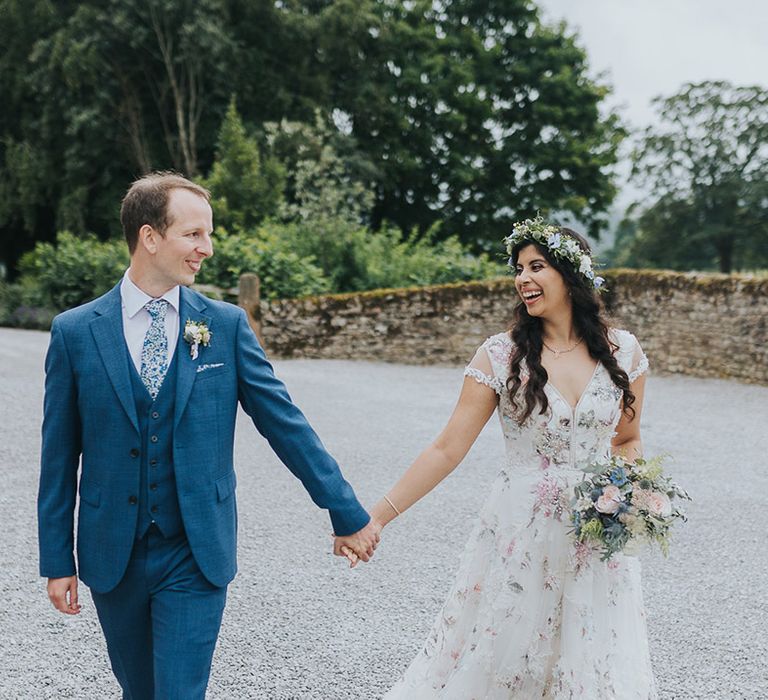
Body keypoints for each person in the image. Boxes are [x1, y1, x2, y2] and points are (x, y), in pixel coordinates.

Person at [37, 171, 380, 699]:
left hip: (194, 551)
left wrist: (345, 510)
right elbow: (57, 459)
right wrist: (57, 560)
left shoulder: (225, 325)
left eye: (209, 234)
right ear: (150, 237)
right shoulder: (76, 332)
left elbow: (283, 422)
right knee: (140, 691)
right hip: (113, 555)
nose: (208, 249)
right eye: (194, 234)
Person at [342, 218, 656, 698]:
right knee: (508, 658)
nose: (522, 278)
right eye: (518, 268)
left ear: (572, 276)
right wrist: (376, 518)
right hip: (521, 530)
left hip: (596, 535)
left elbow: (627, 439)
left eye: (537, 266)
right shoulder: (501, 356)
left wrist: (630, 494)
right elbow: (447, 448)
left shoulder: (623, 352)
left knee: (593, 658)